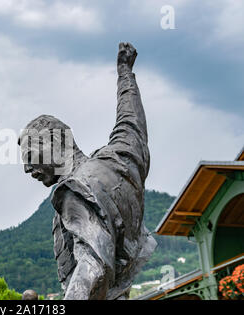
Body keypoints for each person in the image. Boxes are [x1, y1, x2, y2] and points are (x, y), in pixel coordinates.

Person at [18, 42, 157, 300]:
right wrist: (125, 74)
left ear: (55, 140)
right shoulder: (116, 164)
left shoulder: (76, 190)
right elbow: (132, 126)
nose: (27, 169)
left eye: (29, 155)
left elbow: (93, 267)